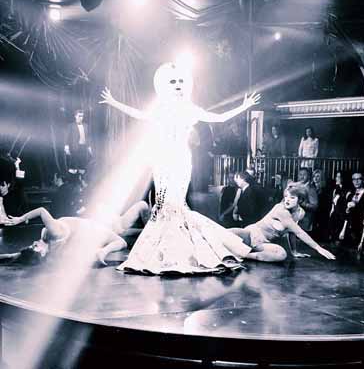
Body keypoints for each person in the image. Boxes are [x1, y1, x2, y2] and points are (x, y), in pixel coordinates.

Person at [100, 62, 261, 275]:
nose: (177, 85)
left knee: (177, 205)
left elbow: (219, 117)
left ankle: (181, 253)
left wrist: (244, 106)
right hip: (162, 158)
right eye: (173, 81)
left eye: (180, 81)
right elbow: (139, 115)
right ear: (165, 85)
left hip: (181, 159)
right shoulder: (160, 109)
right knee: (163, 205)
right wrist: (114, 102)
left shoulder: (190, 109)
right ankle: (163, 253)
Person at [1, 201, 150, 266]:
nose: (33, 244)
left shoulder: (49, 247)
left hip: (97, 227)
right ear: (42, 254)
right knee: (142, 206)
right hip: (102, 227)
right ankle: (103, 251)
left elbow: (17, 256)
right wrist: (21, 219)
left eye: (31, 246)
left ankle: (150, 235)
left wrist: (3, 257)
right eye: (35, 248)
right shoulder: (53, 233)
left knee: (136, 234)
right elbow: (41, 211)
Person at [229, 184, 335, 262]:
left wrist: (294, 252)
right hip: (251, 234)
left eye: (292, 198)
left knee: (282, 254)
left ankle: (243, 254)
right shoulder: (280, 210)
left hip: (262, 244)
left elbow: (292, 232)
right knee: (224, 233)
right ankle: (242, 252)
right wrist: (318, 248)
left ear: (300, 200)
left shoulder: (300, 213)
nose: (287, 200)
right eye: (286, 197)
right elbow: (299, 233)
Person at [64, 109, 93, 173]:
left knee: (82, 160)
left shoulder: (86, 126)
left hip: (84, 146)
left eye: (82, 116)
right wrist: (66, 146)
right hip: (75, 146)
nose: (81, 118)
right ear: (75, 116)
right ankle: (73, 173)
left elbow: (88, 137)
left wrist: (89, 147)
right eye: (79, 116)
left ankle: (81, 174)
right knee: (74, 160)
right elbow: (67, 136)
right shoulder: (71, 125)